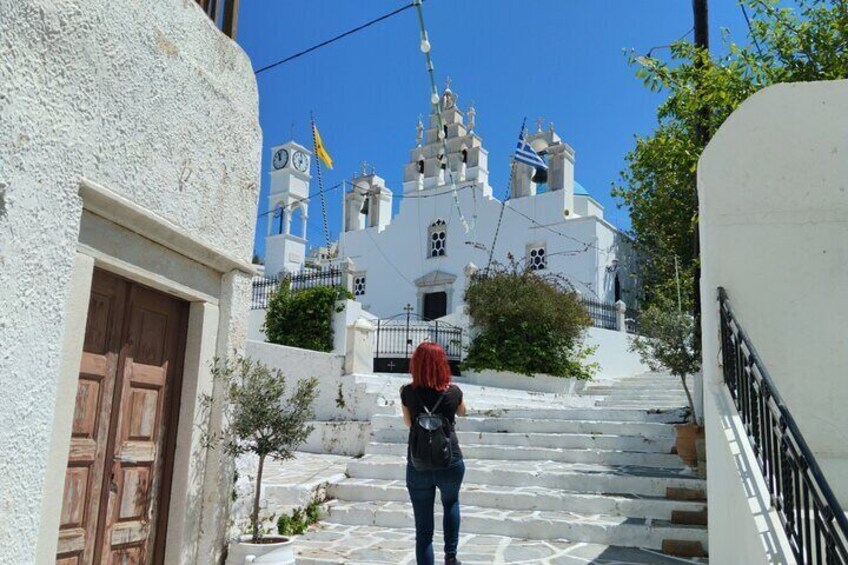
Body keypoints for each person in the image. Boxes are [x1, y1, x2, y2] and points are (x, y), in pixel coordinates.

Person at [401, 342, 467, 565]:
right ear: (442, 364)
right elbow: (463, 413)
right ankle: (451, 556)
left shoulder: (407, 391)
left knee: (423, 531)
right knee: (451, 503)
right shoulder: (454, 391)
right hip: (450, 460)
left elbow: (408, 423)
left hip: (418, 462)